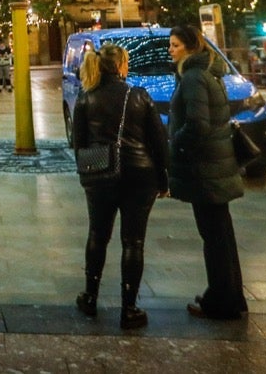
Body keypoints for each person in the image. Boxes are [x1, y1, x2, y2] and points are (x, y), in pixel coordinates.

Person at [71, 43, 169, 329]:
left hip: (101, 174)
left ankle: (90, 296)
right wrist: (164, 179)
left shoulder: (86, 98)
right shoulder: (139, 96)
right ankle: (129, 308)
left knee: (98, 235)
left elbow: (79, 143)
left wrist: (87, 175)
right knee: (133, 241)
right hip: (141, 175)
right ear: (121, 66)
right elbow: (158, 141)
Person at [168, 24, 248, 321]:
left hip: (205, 168)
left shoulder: (193, 77)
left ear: (189, 48)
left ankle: (220, 301)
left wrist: (175, 143)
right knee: (222, 234)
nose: (170, 50)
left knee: (214, 237)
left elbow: (198, 125)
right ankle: (231, 295)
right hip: (216, 164)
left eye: (175, 45)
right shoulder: (210, 73)